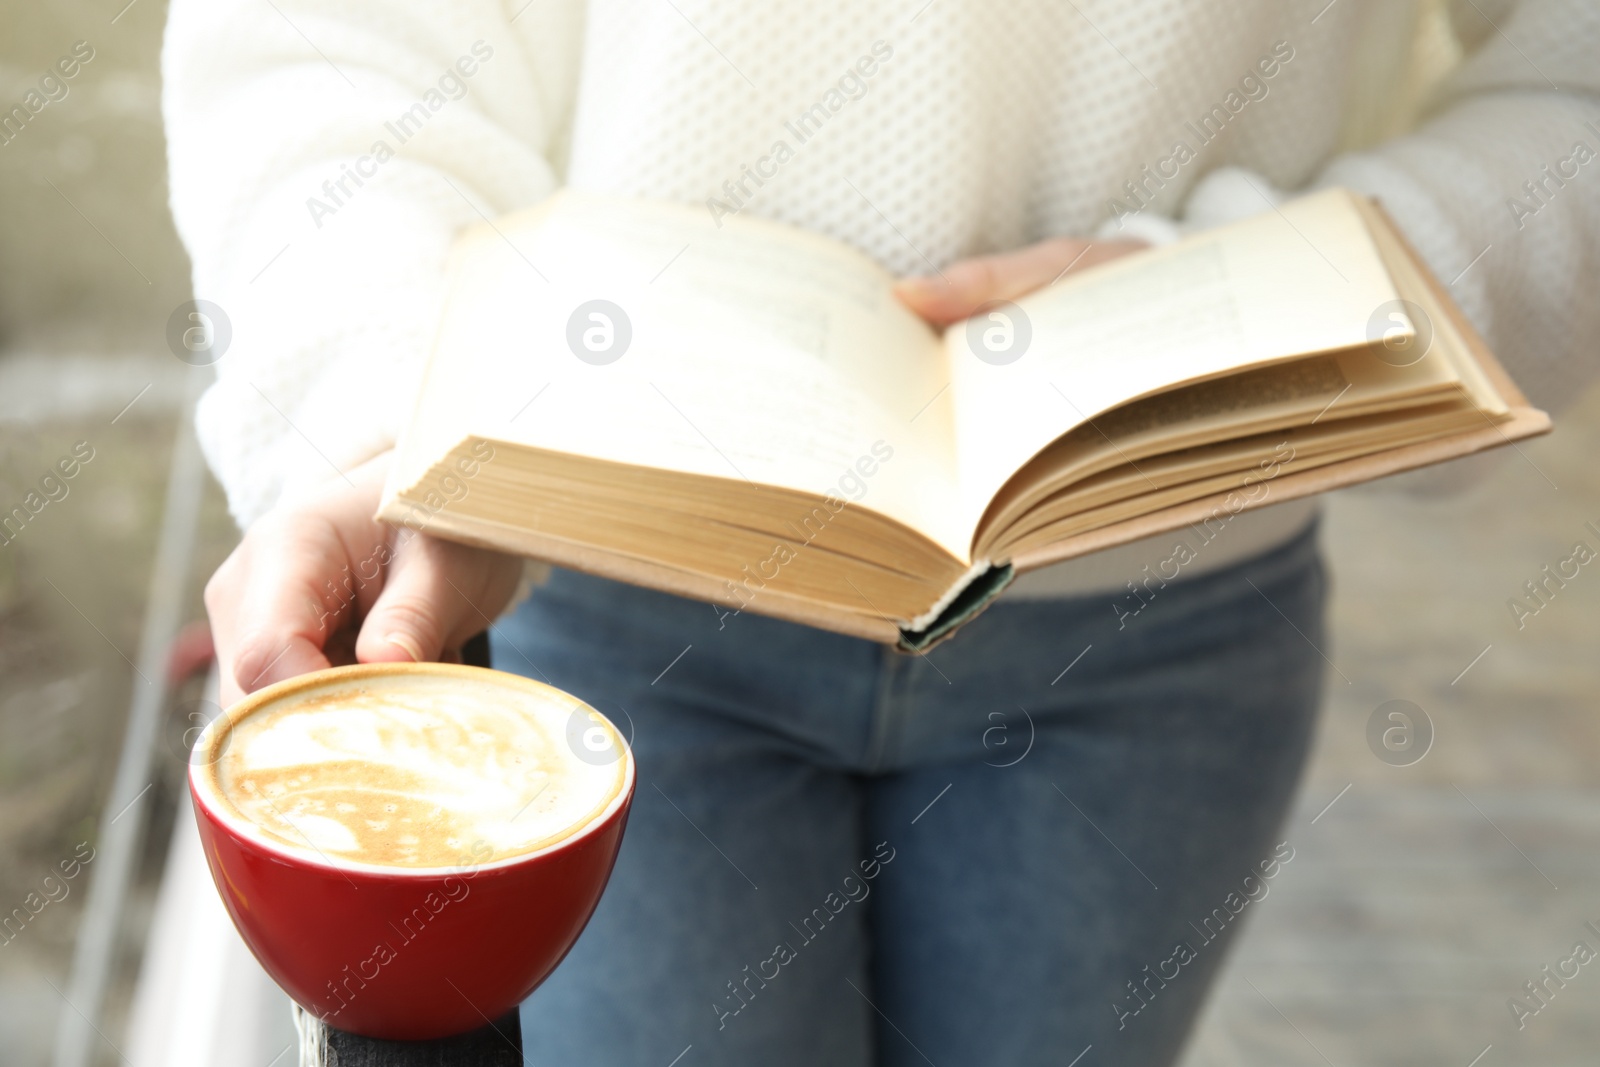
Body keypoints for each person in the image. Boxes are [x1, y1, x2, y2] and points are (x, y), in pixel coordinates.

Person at [165, 1, 1600, 1063]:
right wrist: (392, 426)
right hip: (602, 586)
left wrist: (1251, 290)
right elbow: (329, 42)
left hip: (1159, 606)